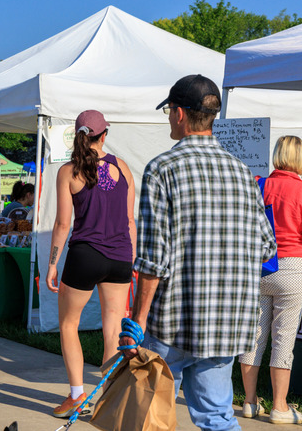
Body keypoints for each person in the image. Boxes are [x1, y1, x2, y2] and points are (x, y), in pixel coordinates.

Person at [120, 75, 276, 430]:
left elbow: (154, 256)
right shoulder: (241, 171)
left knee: (149, 415)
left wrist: (138, 320)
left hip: (175, 319)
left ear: (178, 113)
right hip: (228, 319)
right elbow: (267, 245)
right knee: (216, 416)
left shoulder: (162, 168)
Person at [45, 110, 136, 418]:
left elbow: (61, 224)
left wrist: (52, 264)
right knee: (112, 329)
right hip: (121, 255)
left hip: (86, 254)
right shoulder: (122, 167)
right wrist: (131, 259)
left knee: (69, 324)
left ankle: (77, 395)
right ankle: (107, 397)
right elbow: (129, 221)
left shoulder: (69, 172)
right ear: (104, 135)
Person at [239, 136, 302, 424]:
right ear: (301, 159)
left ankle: (250, 402)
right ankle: (279, 406)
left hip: (260, 267)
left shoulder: (258, 184)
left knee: (254, 336)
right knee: (283, 340)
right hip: (292, 267)